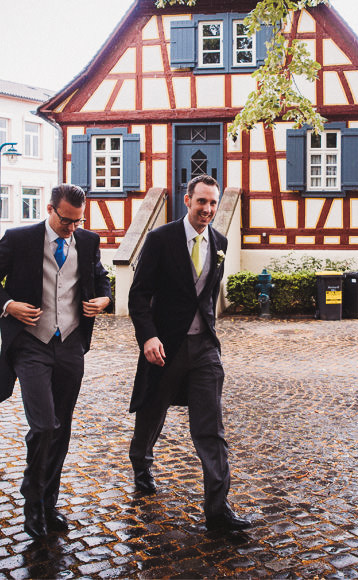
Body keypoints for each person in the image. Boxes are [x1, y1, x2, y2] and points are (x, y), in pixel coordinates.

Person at [0, 184, 111, 538]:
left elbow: (100, 279)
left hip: (69, 344)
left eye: (78, 222)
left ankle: (49, 503)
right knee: (45, 425)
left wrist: (104, 300)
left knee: (61, 427)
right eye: (66, 221)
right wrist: (8, 305)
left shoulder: (89, 241)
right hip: (31, 344)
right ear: (50, 209)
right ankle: (32, 501)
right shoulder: (20, 239)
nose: (71, 228)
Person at [127, 174, 252, 532]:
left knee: (210, 428)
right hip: (165, 346)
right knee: (152, 412)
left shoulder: (220, 241)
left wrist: (210, 335)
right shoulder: (160, 240)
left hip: (205, 349)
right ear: (187, 200)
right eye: (202, 202)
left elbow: (208, 295)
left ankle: (217, 509)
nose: (208, 209)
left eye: (213, 203)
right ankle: (141, 462)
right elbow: (138, 295)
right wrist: (148, 337)